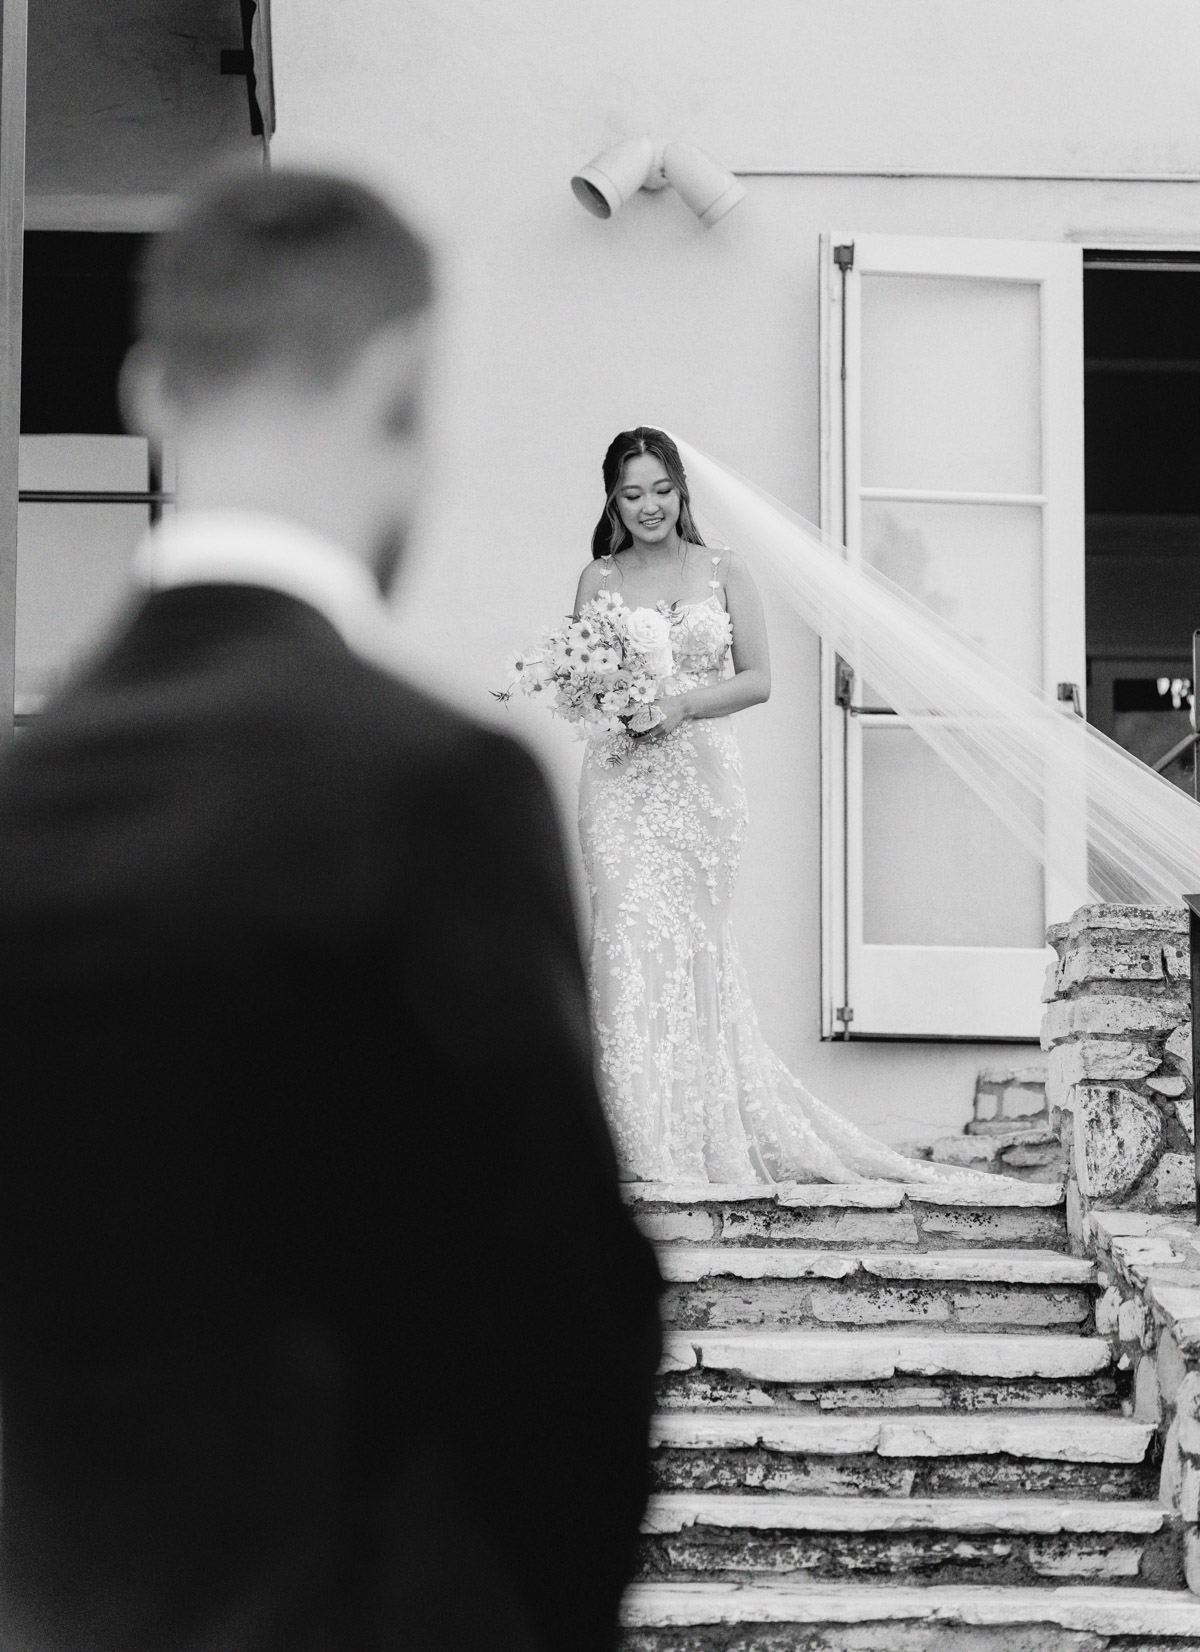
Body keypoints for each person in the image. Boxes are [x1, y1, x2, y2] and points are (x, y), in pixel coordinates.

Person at [0, 170, 661, 1652]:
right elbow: (563, 1321)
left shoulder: (17, 811)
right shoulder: (436, 788)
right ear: (406, 374)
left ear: (148, 392)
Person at [574, 426, 997, 1186]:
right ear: (613, 497)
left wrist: (679, 706)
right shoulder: (599, 578)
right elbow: (581, 678)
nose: (650, 507)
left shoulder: (724, 569)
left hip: (700, 783)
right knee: (628, 947)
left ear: (682, 490)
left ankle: (697, 1136)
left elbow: (759, 678)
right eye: (632, 493)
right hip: (620, 783)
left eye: (662, 490)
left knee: (695, 948)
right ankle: (629, 1142)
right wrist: (612, 700)